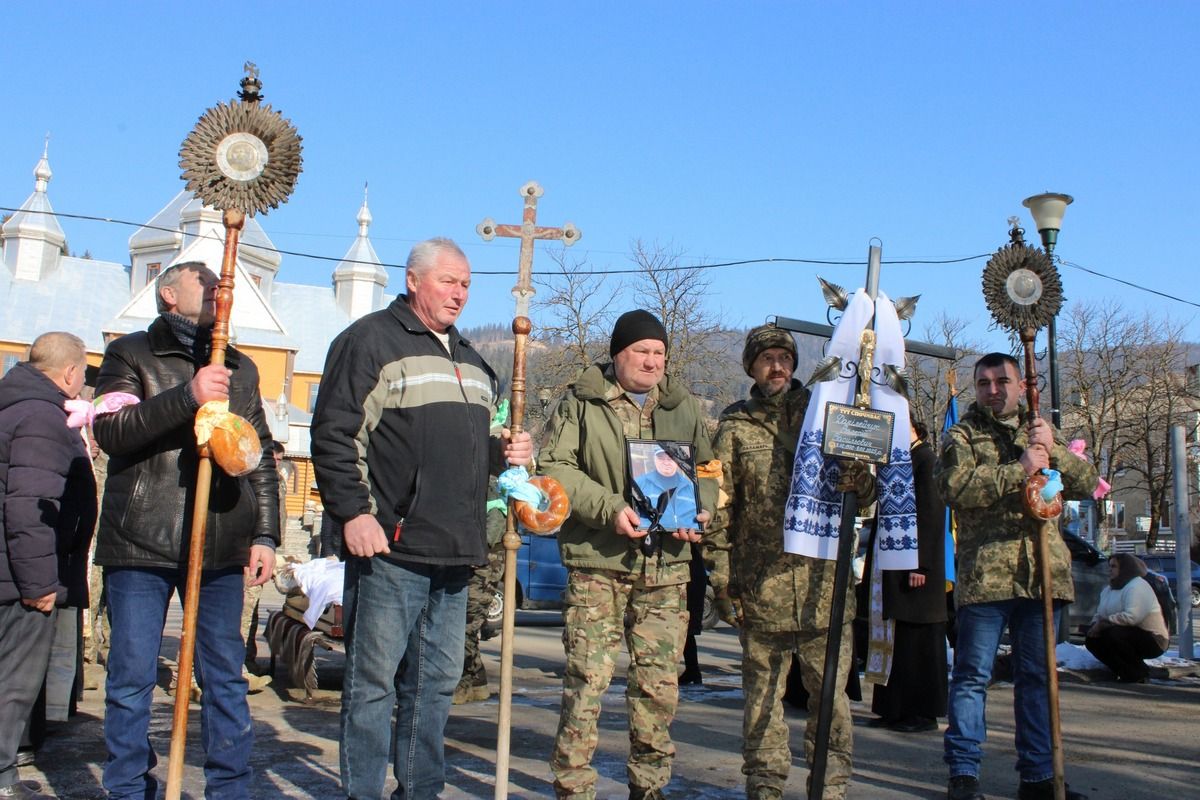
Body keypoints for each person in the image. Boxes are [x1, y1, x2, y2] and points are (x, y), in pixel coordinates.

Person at [310, 237, 532, 799]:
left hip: (456, 551)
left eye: (465, 284)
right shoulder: (370, 343)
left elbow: (468, 459)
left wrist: (507, 454)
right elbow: (336, 435)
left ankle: (419, 791)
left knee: (434, 686)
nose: (459, 293)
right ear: (413, 280)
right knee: (372, 686)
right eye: (448, 281)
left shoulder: (476, 366)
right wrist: (354, 514)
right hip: (391, 549)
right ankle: (361, 792)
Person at [92, 261, 279, 800]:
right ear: (170, 294)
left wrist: (265, 533)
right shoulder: (130, 353)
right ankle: (128, 788)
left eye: (226, 290)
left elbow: (258, 455)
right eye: (209, 285)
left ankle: (229, 788)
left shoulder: (239, 368)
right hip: (141, 542)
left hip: (220, 541)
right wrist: (187, 397)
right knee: (131, 678)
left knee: (224, 678)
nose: (222, 294)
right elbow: (112, 430)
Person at [541, 309, 716, 800]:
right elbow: (555, 467)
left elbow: (708, 467)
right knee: (588, 682)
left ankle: (650, 786)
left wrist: (703, 507)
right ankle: (574, 786)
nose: (652, 361)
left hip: (666, 567)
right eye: (642, 351)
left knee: (658, 688)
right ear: (618, 354)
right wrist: (610, 508)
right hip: (599, 562)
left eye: (660, 352)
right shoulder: (581, 401)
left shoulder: (684, 406)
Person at [703, 323, 873, 800]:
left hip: (824, 588)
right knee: (761, 702)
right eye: (766, 358)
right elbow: (720, 508)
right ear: (751, 366)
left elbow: (865, 498)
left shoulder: (825, 413)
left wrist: (859, 476)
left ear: (795, 364)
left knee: (830, 702)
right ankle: (765, 785)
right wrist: (722, 580)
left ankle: (831, 784)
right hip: (761, 588)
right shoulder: (734, 426)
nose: (776, 366)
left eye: (784, 357)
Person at [936, 352, 1098, 800]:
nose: (993, 389)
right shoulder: (962, 434)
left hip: (1040, 576)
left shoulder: (1042, 431)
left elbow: (1088, 484)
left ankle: (1039, 777)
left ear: (1021, 386)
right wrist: (1019, 469)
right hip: (987, 575)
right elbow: (954, 488)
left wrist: (1055, 451)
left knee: (1038, 679)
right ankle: (964, 774)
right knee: (971, 676)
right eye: (984, 382)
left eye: (1002, 380)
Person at [1, 332, 96, 800]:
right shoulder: (42, 417)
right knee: (14, 681)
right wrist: (39, 583)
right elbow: (31, 505)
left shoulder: (13, 403)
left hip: (9, 567)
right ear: (70, 373)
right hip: (21, 575)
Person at [866, 419, 948, 733]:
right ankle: (894, 707)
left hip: (915, 566)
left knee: (919, 641)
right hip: (893, 561)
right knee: (897, 639)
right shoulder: (899, 460)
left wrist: (920, 564)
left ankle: (922, 712)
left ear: (916, 430)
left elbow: (930, 513)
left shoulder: (926, 460)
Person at [453, 479, 507, 705]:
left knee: (464, 625)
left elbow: (492, 529)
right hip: (473, 562)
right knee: (465, 625)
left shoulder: (492, 486)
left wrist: (474, 550)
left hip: (484, 565)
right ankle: (478, 681)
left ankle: (461, 684)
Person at [1084, 553, 1168, 683]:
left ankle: (1139, 671)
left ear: (1125, 568)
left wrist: (1103, 624)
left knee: (1113, 634)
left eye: (1114, 566)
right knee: (1092, 640)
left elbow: (1132, 617)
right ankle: (1125, 671)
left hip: (1153, 639)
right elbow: (1100, 613)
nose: (1109, 569)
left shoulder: (1137, 586)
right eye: (1109, 566)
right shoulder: (1109, 589)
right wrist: (1094, 625)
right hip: (1125, 633)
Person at [632, 447, 699, 532]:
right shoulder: (639, 483)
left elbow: (697, 517)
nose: (666, 462)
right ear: (654, 459)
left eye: (670, 458)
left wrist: (697, 529)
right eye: (661, 458)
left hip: (682, 541)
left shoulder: (690, 486)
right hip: (646, 539)